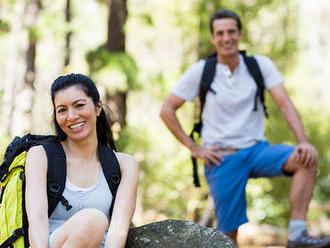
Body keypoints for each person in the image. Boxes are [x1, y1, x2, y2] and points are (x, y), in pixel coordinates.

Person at [160, 9, 330, 248]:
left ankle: (297, 235)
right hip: (222, 157)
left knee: (306, 159)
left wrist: (303, 140)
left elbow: (285, 103)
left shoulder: (260, 65)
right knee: (227, 237)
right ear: (213, 38)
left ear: (239, 34)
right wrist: (194, 148)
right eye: (220, 33)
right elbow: (166, 109)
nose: (226, 37)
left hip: (257, 150)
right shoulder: (201, 71)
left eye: (231, 31)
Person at [25, 73, 139, 248]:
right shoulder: (40, 156)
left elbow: (119, 229)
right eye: (62, 110)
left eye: (79, 105)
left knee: (94, 221)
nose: (71, 116)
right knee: (92, 221)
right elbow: (37, 220)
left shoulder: (124, 165)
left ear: (98, 107)